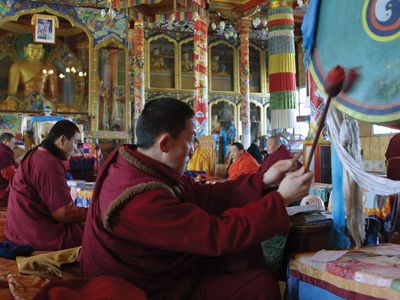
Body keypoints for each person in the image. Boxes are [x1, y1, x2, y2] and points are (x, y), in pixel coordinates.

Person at [80, 97, 313, 299]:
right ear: (164, 143)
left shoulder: (142, 166)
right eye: (190, 139)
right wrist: (280, 199)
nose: (193, 149)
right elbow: (216, 235)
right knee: (259, 287)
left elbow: (207, 194)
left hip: (162, 273)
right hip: (148, 290)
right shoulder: (139, 198)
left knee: (243, 254)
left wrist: (262, 180)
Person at [5, 120, 87, 251]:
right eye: (75, 142)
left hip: (18, 229)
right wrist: (92, 212)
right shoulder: (47, 162)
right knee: (94, 231)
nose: (76, 148)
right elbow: (63, 213)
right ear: (62, 140)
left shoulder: (38, 153)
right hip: (33, 234)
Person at [4, 43, 58, 109]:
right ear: (26, 50)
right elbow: (11, 94)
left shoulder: (49, 67)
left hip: (43, 102)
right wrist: (13, 100)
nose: (35, 53)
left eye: (39, 50)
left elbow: (54, 95)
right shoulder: (17, 66)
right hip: (23, 102)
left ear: (43, 51)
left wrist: (47, 101)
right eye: (32, 50)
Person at [0, 133, 16, 207]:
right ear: (6, 142)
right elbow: (8, 175)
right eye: (13, 143)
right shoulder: (5, 152)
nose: (14, 146)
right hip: (3, 192)